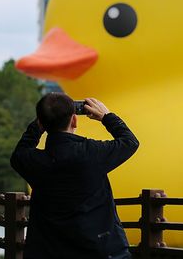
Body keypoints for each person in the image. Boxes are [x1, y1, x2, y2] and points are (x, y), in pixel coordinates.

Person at [10, 93, 139, 259]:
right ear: (74, 120)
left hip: (50, 252)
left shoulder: (32, 161)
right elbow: (130, 142)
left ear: (41, 122)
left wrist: (38, 125)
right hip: (101, 250)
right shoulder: (92, 153)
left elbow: (18, 153)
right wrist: (106, 116)